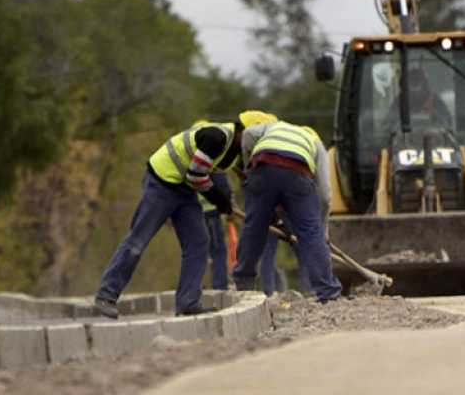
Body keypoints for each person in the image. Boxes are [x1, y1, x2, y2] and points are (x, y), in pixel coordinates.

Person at [94, 111, 277, 319]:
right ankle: (106, 295)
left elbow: (246, 181)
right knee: (138, 240)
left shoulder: (238, 151)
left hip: (185, 188)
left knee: (198, 242)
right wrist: (219, 200)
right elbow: (196, 174)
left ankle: (188, 302)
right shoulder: (217, 137)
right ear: (246, 132)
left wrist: (266, 210)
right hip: (162, 182)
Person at [232, 122, 342, 302]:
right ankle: (328, 292)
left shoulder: (272, 127)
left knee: (254, 227)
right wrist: (321, 228)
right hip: (297, 174)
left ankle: (243, 284)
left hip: (263, 169)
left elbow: (248, 134)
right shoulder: (315, 144)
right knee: (311, 233)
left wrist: (248, 169)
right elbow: (324, 196)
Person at [200, 172, 232, 290]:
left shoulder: (189, 159)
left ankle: (197, 285)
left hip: (194, 212)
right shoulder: (211, 160)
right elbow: (222, 183)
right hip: (212, 211)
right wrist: (226, 203)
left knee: (197, 250)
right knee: (218, 250)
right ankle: (220, 285)